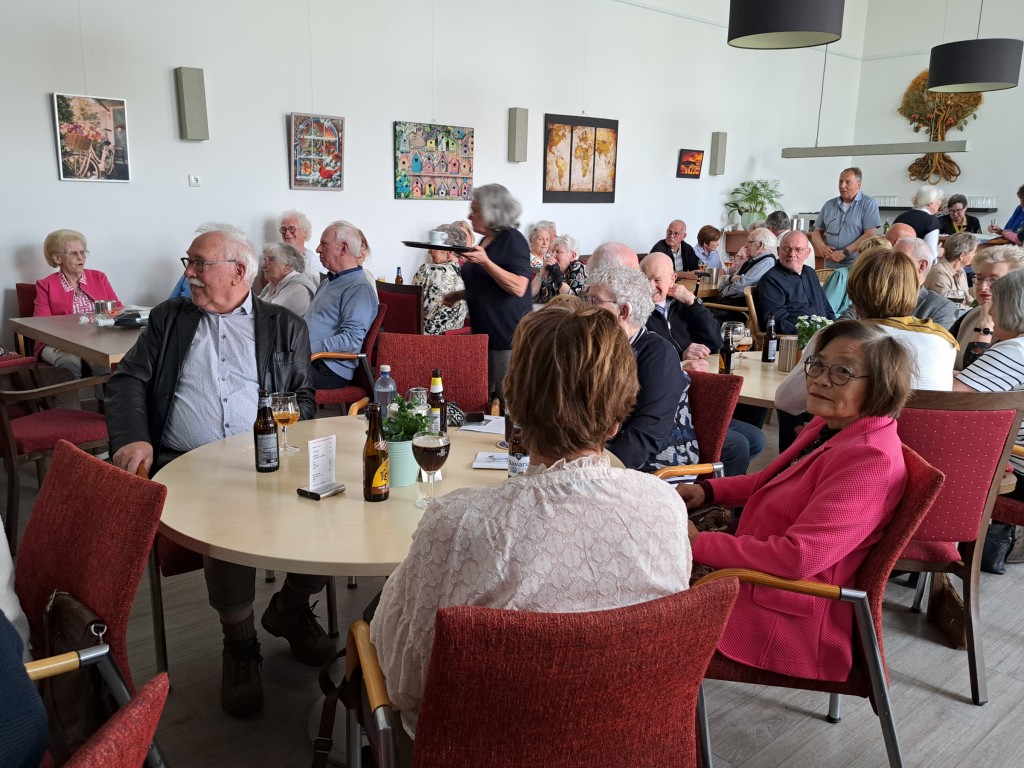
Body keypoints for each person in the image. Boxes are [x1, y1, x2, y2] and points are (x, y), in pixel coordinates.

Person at [370, 301, 692, 743]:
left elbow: (404, 680)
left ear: (514, 406)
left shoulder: (461, 524)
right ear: (619, 416)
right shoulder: (665, 506)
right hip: (631, 738)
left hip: (492, 746)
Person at [105, 222, 329, 718]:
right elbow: (128, 380)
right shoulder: (169, 319)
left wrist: (286, 428)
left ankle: (291, 607)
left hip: (268, 459)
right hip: (189, 464)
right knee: (228, 519)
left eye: (198, 264)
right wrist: (134, 436)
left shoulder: (285, 325)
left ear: (239, 271)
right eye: (188, 262)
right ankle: (240, 643)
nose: (188, 273)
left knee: (330, 502)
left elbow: (305, 398)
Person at [682, 319, 913, 682]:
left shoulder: (870, 459)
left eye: (842, 372)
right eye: (817, 365)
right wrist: (707, 491)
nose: (820, 379)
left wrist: (699, 543)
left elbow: (798, 558)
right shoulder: (831, 426)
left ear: (881, 386)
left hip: (781, 608)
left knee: (636, 592)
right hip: (754, 568)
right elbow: (771, 481)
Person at [778, 248, 956, 427]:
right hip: (926, 439)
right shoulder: (943, 341)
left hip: (859, 439)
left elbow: (786, 401)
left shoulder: (837, 337)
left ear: (854, 289)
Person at [587, 268, 699, 471]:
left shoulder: (658, 353)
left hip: (658, 467)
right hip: (596, 457)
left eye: (594, 301)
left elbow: (647, 432)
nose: (585, 309)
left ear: (623, 311)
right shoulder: (597, 348)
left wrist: (597, 472)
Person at [954, 268, 1024, 571]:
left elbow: (953, 399)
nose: (991, 312)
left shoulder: (1015, 350)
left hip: (1016, 470)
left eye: (995, 303)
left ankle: (918, 552)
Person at [442, 183, 532, 401]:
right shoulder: (487, 240)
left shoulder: (513, 239)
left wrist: (485, 262)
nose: (469, 216)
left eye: (475, 211)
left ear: (492, 212)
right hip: (484, 335)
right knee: (483, 401)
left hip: (506, 337)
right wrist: (460, 295)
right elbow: (489, 285)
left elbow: (519, 287)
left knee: (508, 403)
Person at [34, 228, 121, 405]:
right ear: (57, 258)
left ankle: (110, 413)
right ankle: (70, 416)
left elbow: (117, 308)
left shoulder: (99, 277)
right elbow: (41, 324)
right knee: (68, 362)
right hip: (58, 343)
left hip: (96, 340)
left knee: (106, 361)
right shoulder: (46, 285)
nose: (81, 257)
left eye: (83, 252)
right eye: (74, 253)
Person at [306, 221, 380, 389]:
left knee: (267, 372)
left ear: (343, 248)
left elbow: (351, 340)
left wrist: (307, 348)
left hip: (328, 367)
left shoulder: (358, 288)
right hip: (312, 359)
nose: (317, 249)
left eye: (324, 244)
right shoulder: (329, 282)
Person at [950, 245, 1024, 369]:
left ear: (1016, 284)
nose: (983, 287)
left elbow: (978, 374)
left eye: (994, 280)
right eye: (979, 278)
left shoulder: (1018, 326)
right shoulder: (970, 316)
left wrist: (985, 326)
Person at [640, 252, 721, 360]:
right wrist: (680, 355)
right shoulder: (634, 310)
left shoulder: (684, 303)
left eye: (657, 280)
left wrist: (694, 302)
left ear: (672, 279)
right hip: (669, 368)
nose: (650, 286)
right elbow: (638, 356)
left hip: (699, 365)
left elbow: (716, 342)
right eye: (645, 279)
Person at [755, 230, 834, 334]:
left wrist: (834, 329)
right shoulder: (771, 280)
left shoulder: (810, 273)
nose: (792, 254)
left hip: (823, 336)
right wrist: (809, 335)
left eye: (798, 250)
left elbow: (826, 309)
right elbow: (777, 323)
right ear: (778, 251)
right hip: (796, 339)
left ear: (807, 253)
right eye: (786, 249)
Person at [810, 167, 881, 270]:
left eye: (848, 182)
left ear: (859, 185)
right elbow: (816, 232)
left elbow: (870, 235)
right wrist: (821, 247)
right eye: (840, 182)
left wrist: (844, 252)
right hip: (830, 264)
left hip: (856, 266)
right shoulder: (829, 205)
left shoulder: (868, 204)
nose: (842, 186)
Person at [411, 223, 468, 334]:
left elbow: (410, 308)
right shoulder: (467, 273)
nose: (429, 251)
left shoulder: (428, 270)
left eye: (434, 247)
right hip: (455, 341)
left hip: (424, 341)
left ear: (449, 251)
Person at [892, 237, 958, 329]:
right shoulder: (878, 294)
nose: (889, 264)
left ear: (922, 266)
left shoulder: (939, 307)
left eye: (899, 260)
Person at [716, 228, 778, 304]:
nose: (745, 246)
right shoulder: (751, 260)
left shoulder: (767, 262)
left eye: (749, 242)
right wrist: (731, 279)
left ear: (760, 245)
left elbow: (741, 288)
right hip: (729, 304)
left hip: (737, 308)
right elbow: (731, 279)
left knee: (703, 306)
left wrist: (723, 292)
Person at [257, 242, 318, 315]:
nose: (264, 266)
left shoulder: (298, 287)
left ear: (287, 266)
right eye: (264, 260)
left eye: (271, 260)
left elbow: (268, 314)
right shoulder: (274, 284)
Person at [924, 231, 976, 307]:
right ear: (962, 256)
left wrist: (978, 305)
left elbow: (966, 297)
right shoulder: (939, 273)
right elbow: (951, 306)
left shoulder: (960, 270)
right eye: (973, 252)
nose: (974, 255)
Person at [531, 234, 586, 303]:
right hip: (543, 308)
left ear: (572, 256)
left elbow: (572, 301)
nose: (553, 255)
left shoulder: (578, 267)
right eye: (552, 252)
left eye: (558, 252)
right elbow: (530, 295)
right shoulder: (550, 269)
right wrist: (541, 273)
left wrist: (556, 274)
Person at [894, 185, 943, 262]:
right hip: (915, 265)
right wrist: (937, 252)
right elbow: (931, 256)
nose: (940, 203)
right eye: (938, 200)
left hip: (895, 262)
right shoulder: (931, 221)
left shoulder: (901, 217)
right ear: (930, 202)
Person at [278, 209, 323, 276]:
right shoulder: (275, 256)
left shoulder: (311, 258)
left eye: (291, 228)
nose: (286, 233)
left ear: (305, 232)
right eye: (283, 229)